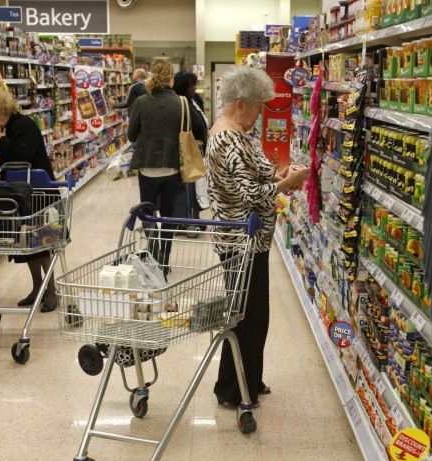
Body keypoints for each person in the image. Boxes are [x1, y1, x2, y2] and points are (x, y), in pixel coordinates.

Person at [206, 67, 310, 407]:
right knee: (246, 317)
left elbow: (254, 170)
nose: (260, 113)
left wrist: (278, 172)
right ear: (239, 104)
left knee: (250, 315)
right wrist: (286, 185)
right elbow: (249, 192)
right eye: (257, 107)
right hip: (240, 241)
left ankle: (244, 378)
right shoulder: (226, 138)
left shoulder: (235, 131)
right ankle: (236, 391)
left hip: (250, 238)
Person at [0, 86, 58, 312]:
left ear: (2, 110)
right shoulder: (9, 127)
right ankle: (37, 288)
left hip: (39, 193)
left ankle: (51, 293)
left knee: (42, 243)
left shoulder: (24, 125)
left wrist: (2, 142)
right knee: (25, 245)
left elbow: (22, 156)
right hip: (21, 194)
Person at [127, 60, 206, 273]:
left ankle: (153, 256)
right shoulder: (181, 102)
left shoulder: (141, 102)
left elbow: (131, 135)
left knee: (149, 213)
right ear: (171, 78)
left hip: (147, 168)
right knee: (169, 216)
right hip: (173, 167)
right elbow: (188, 131)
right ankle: (165, 262)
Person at [171, 70, 208, 226]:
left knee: (195, 187)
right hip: (187, 153)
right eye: (192, 87)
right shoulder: (179, 103)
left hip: (197, 152)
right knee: (188, 188)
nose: (195, 90)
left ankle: (192, 216)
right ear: (183, 87)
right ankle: (186, 219)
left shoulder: (192, 101)